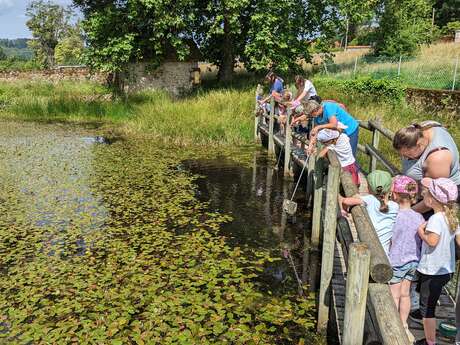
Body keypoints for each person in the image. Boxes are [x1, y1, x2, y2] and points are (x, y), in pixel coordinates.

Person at [414, 177, 460, 345]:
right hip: (446, 270)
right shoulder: (452, 218)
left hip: (432, 271)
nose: (424, 195)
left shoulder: (435, 219)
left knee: (427, 310)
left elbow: (432, 241)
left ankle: (430, 341)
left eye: (426, 193)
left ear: (432, 199)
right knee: (430, 302)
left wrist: (420, 231)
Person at [393, 121, 460, 215]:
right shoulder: (419, 130)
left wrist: (407, 213)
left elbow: (433, 199)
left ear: (419, 145)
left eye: (408, 154)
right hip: (421, 195)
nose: (405, 158)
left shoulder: (437, 159)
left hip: (433, 205)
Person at [388, 175, 424, 343]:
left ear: (394, 194)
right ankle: (404, 324)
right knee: (405, 294)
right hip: (413, 261)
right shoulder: (419, 217)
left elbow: (391, 238)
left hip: (397, 260)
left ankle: (393, 324)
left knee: (394, 295)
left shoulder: (395, 216)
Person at [340, 170, 398, 254]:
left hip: (364, 250)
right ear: (390, 189)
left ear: (368, 188)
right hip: (384, 253)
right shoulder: (395, 206)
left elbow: (345, 201)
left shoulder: (369, 199)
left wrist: (346, 209)